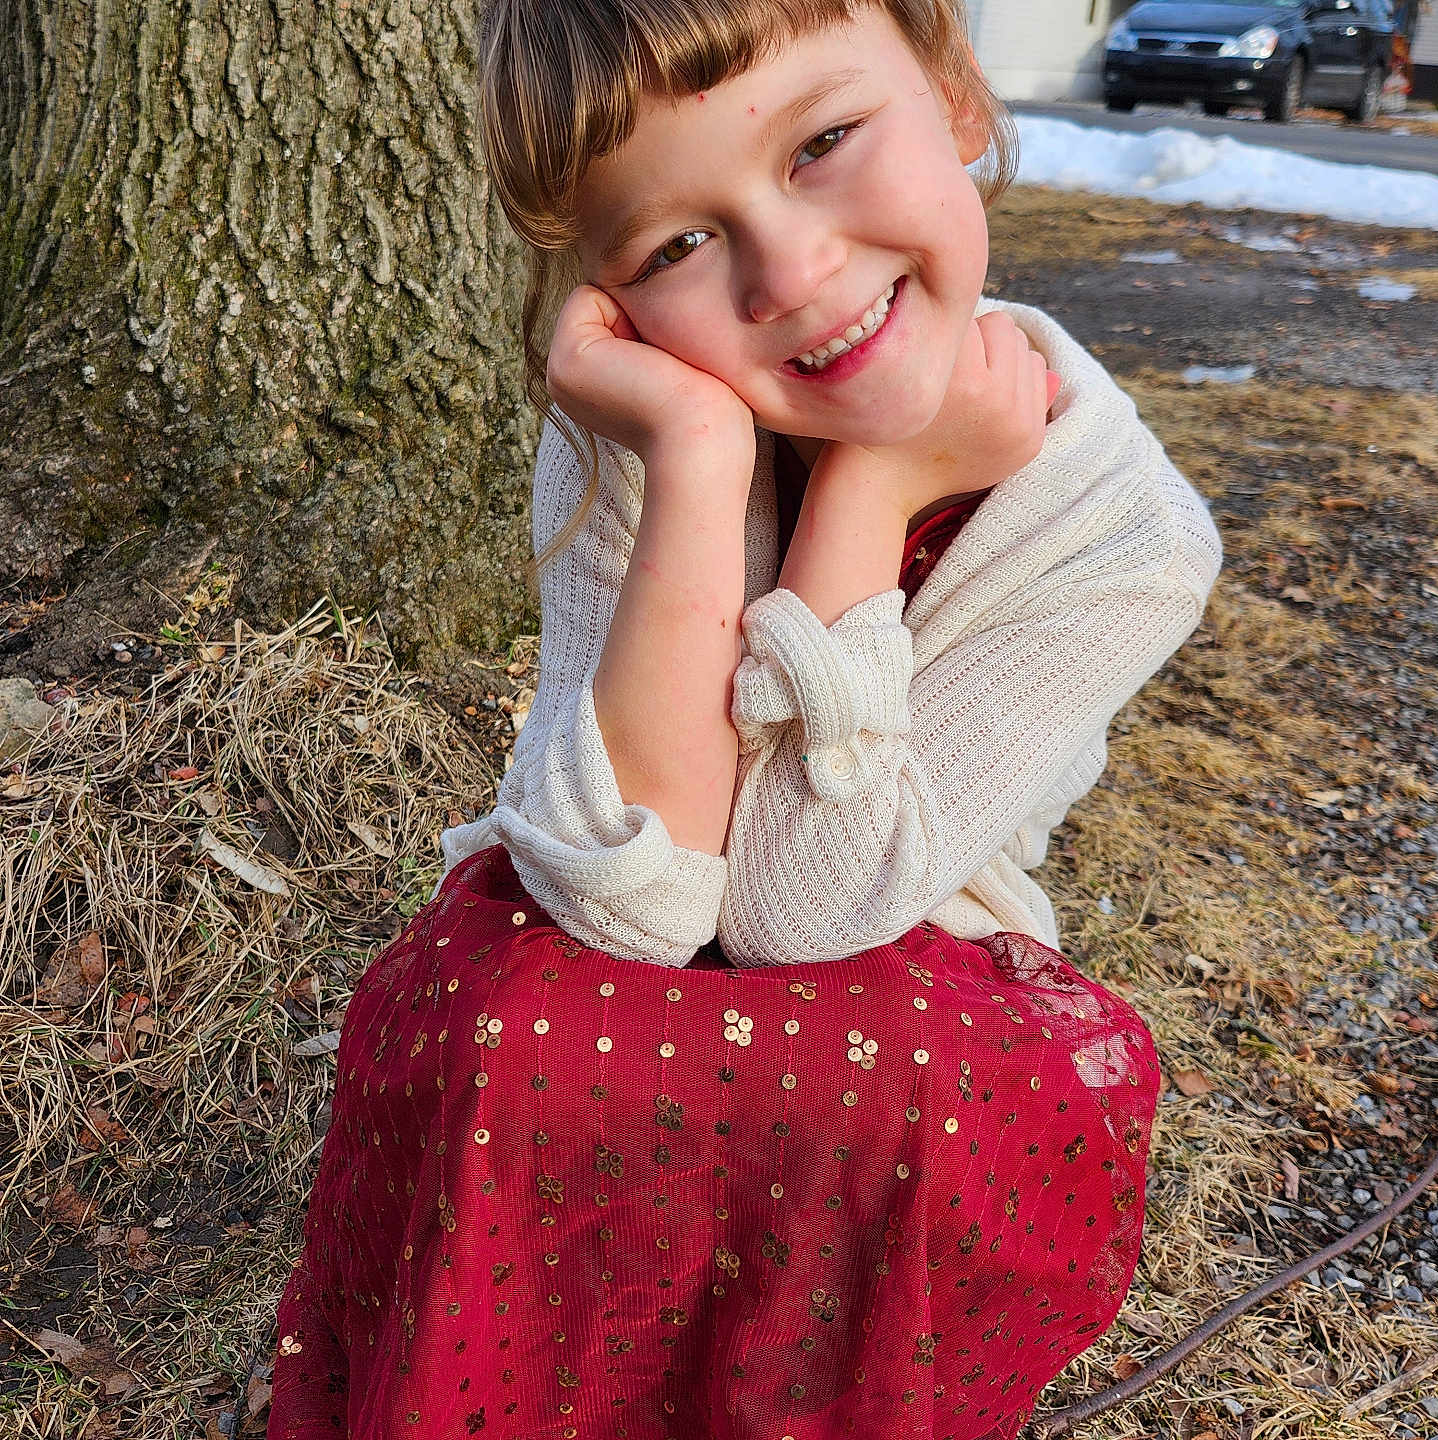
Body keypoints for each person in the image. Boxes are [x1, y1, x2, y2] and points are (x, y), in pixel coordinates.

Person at [268, 2, 1224, 1436]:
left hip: (918, 944)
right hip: (669, 915)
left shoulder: (1128, 531)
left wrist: (870, 489)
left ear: (957, 94)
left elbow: (800, 909)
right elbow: (624, 891)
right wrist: (704, 463)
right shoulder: (644, 423)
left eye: (827, 141)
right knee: (502, 1011)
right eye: (677, 246)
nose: (792, 270)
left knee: (874, 1102)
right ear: (609, 298)